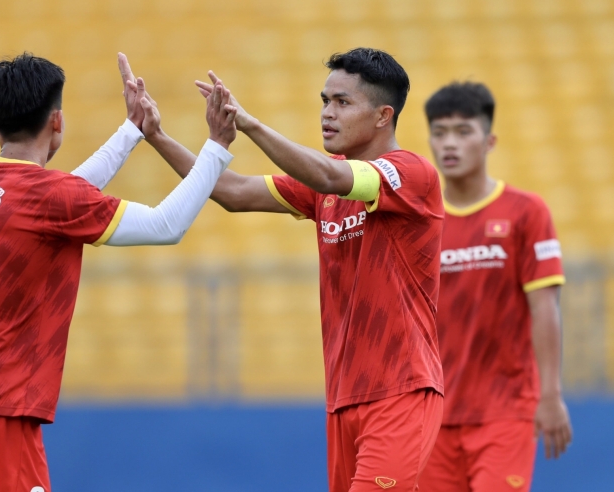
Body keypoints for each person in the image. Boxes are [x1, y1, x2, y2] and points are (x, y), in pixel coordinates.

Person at [0, 52, 237, 491]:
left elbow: (62, 199)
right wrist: (216, 147)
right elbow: (167, 225)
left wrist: (131, 131)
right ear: (58, 121)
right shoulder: (48, 198)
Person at [135, 47, 444, 492]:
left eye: (342, 103)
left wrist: (251, 123)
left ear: (382, 116)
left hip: (400, 392)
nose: (327, 113)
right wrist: (157, 135)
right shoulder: (328, 180)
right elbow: (233, 192)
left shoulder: (409, 174)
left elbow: (332, 179)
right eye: (325, 101)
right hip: (343, 399)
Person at [418, 82, 573, 492]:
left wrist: (551, 394)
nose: (449, 143)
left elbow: (545, 309)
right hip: (432, 414)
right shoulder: (421, 220)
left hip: (506, 410)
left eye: (463, 131)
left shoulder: (526, 212)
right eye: (440, 132)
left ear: (489, 141)